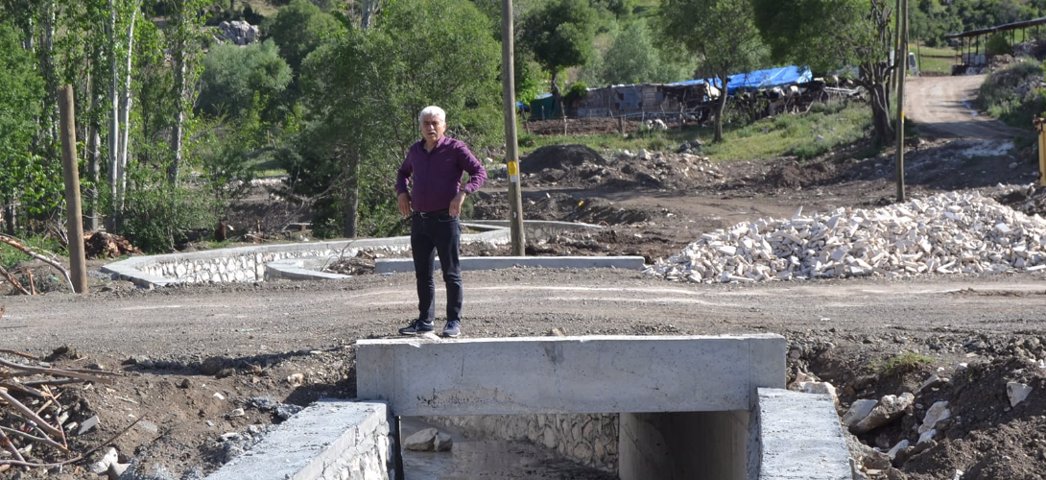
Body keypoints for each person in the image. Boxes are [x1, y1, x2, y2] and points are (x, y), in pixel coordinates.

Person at [394, 106, 487, 338]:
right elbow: (402, 173)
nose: (431, 127)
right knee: (423, 274)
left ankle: (453, 321)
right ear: (420, 127)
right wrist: (402, 192)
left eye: (435, 123)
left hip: (446, 220)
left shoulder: (455, 148)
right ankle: (425, 321)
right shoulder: (415, 150)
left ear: (444, 125)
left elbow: (479, 172)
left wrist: (463, 192)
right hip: (420, 221)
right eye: (426, 123)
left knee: (451, 273)